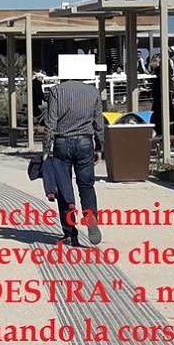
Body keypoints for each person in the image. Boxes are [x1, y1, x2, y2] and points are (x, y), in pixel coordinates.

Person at [45, 61, 107, 248]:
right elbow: (98, 124)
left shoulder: (56, 91)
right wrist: (100, 147)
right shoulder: (93, 92)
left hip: (62, 143)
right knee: (86, 185)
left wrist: (46, 149)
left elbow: (50, 122)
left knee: (65, 189)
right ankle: (91, 218)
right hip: (85, 143)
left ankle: (70, 233)